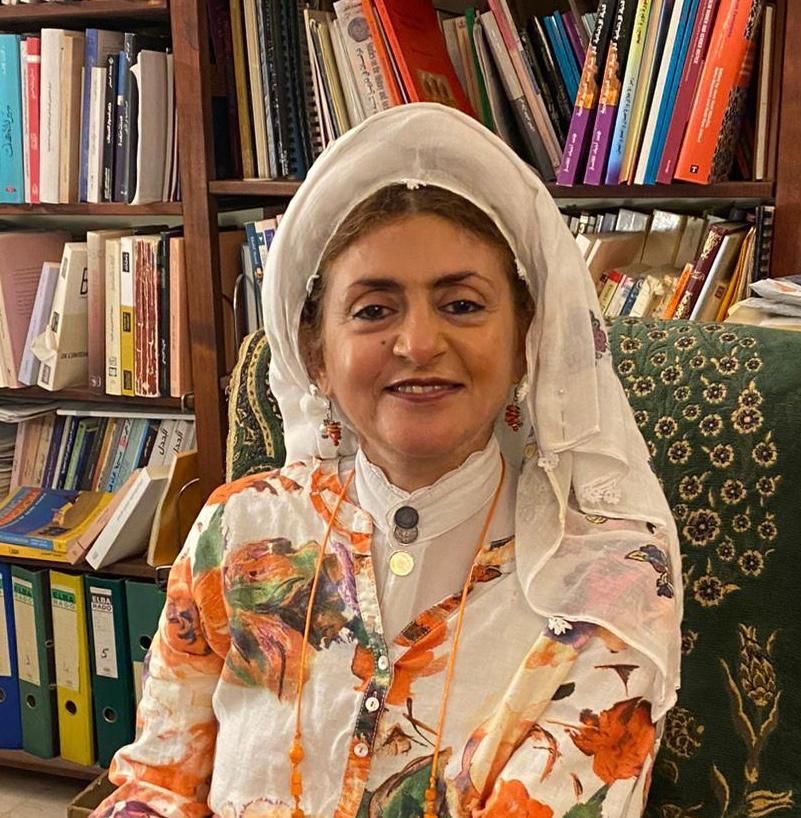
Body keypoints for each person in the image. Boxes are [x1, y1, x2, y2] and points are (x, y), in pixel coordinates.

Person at [91, 103, 682, 818]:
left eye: (462, 304)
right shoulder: (237, 527)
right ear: (316, 353)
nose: (419, 343)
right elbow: (156, 785)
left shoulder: (606, 578)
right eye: (374, 310)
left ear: (526, 339)